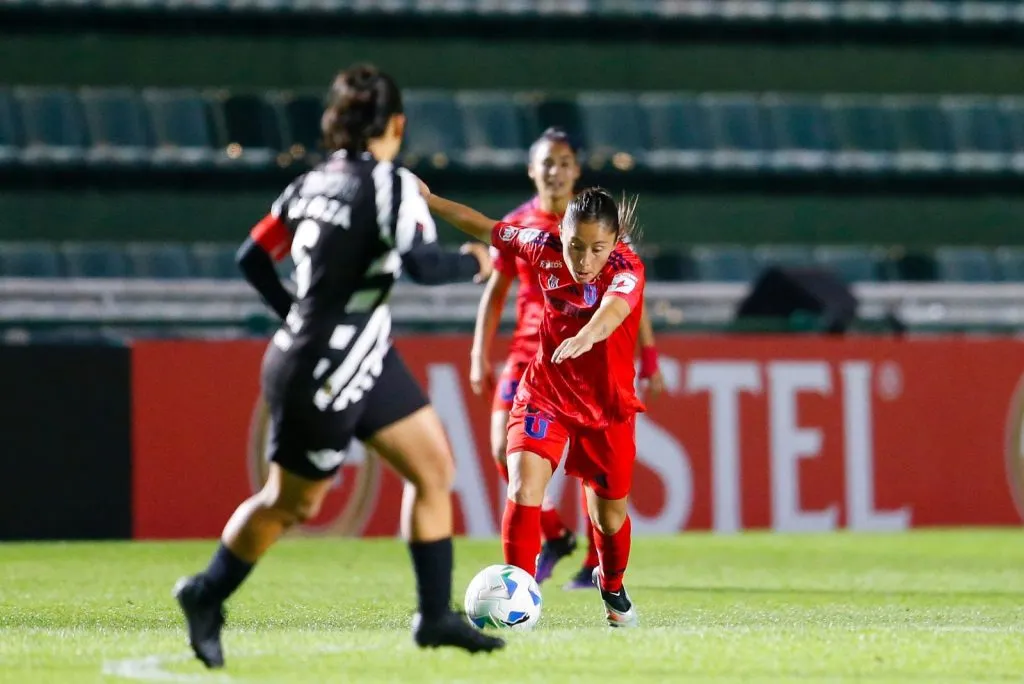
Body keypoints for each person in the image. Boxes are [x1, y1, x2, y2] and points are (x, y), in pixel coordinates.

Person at [172, 63, 505, 669]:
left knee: (434, 470)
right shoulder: (393, 186)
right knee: (290, 504)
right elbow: (424, 268)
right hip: (327, 372)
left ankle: (434, 616)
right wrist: (476, 261)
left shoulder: (309, 185)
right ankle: (206, 592)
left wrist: (296, 319)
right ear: (397, 124)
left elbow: (253, 257)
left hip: (356, 356)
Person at [425, 182, 645, 628]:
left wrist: (584, 336)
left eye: (596, 249)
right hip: (545, 392)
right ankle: (518, 596)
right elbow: (484, 226)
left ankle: (613, 584)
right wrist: (428, 200)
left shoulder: (627, 267)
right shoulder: (539, 246)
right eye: (575, 246)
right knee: (523, 487)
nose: (584, 261)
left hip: (605, 407)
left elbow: (615, 312)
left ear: (615, 241)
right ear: (559, 232)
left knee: (608, 518)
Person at [470, 127, 665, 590]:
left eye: (564, 163)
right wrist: (479, 352)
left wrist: (649, 355)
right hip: (531, 354)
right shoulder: (523, 225)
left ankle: (594, 566)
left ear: (576, 169)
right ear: (531, 169)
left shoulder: (599, 229)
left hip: (590, 357)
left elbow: (630, 302)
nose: (555, 172)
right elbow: (496, 291)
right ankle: (554, 534)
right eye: (547, 163)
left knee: (595, 472)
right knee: (505, 449)